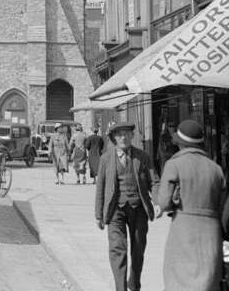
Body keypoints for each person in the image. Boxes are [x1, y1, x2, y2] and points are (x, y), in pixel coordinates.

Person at [156, 119, 224, 291]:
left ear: (180, 143)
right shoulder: (216, 169)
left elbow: (164, 202)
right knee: (207, 282)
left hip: (183, 230)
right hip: (211, 233)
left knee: (179, 282)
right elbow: (223, 206)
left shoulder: (174, 165)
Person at [95, 122, 159, 291]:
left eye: (126, 134)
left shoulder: (142, 157)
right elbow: (100, 187)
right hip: (115, 209)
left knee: (138, 248)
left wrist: (158, 201)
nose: (123, 137)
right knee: (118, 249)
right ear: (114, 138)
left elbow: (154, 181)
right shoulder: (106, 158)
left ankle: (134, 283)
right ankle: (120, 287)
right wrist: (98, 214)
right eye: (119, 135)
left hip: (138, 208)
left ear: (132, 136)